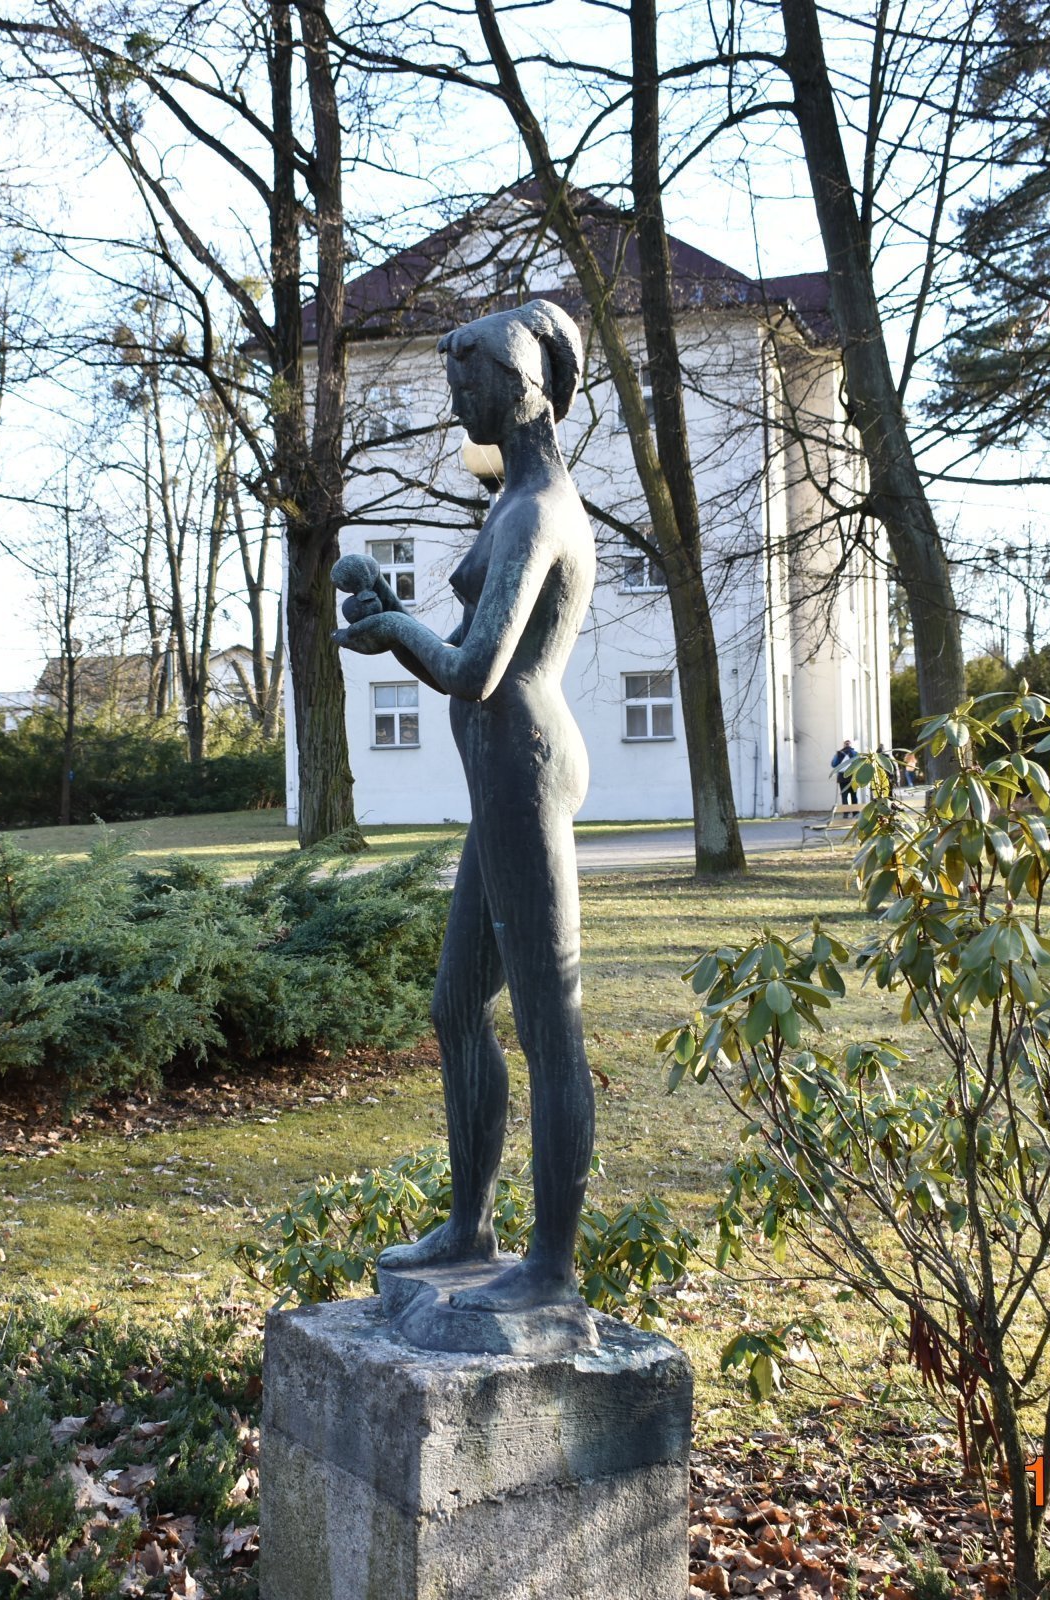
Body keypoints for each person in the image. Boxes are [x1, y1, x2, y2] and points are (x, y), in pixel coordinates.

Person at [333, 298, 596, 1317]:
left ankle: (551, 1266)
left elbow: (477, 668)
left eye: (469, 387)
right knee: (456, 1004)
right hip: (501, 778)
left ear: (523, 388)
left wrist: (396, 632)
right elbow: (465, 631)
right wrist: (381, 595)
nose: (458, 405)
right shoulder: (512, 501)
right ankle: (473, 1224)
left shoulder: (537, 514)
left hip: (524, 770)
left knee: (548, 1024)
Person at [830, 738, 860, 806]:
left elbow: (833, 764)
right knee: (854, 796)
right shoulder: (855, 753)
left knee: (844, 796)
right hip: (853, 778)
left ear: (844, 745)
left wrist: (837, 756)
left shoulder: (839, 753)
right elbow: (859, 764)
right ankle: (855, 813)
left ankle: (845, 813)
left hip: (842, 778)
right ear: (850, 745)